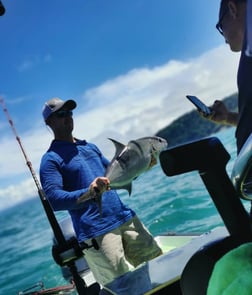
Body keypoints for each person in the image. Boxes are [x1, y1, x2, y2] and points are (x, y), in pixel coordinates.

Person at [39, 97, 162, 294]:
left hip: (124, 217)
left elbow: (117, 176)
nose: (67, 117)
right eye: (61, 114)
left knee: (153, 267)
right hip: (97, 232)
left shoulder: (90, 147)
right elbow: (54, 199)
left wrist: (141, 167)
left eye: (69, 113)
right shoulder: (51, 159)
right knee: (121, 287)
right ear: (49, 123)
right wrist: (89, 192)